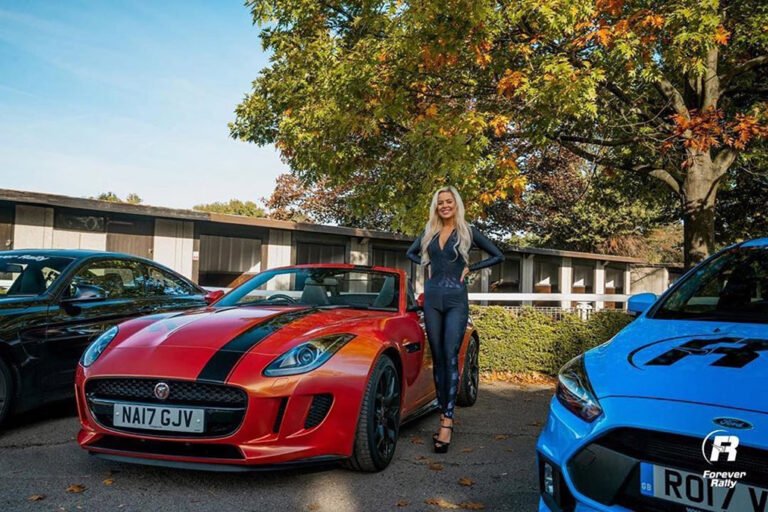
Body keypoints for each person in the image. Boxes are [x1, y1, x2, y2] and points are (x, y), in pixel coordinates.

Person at [406, 186, 504, 453]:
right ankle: (442, 414)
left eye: (449, 202)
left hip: (456, 301)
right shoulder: (430, 231)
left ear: (456, 204)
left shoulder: (467, 232)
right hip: (433, 300)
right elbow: (410, 253)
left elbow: (498, 254)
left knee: (450, 356)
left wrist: (471, 268)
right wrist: (426, 265)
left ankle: (447, 422)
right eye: (440, 203)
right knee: (438, 359)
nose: (445, 206)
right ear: (436, 207)